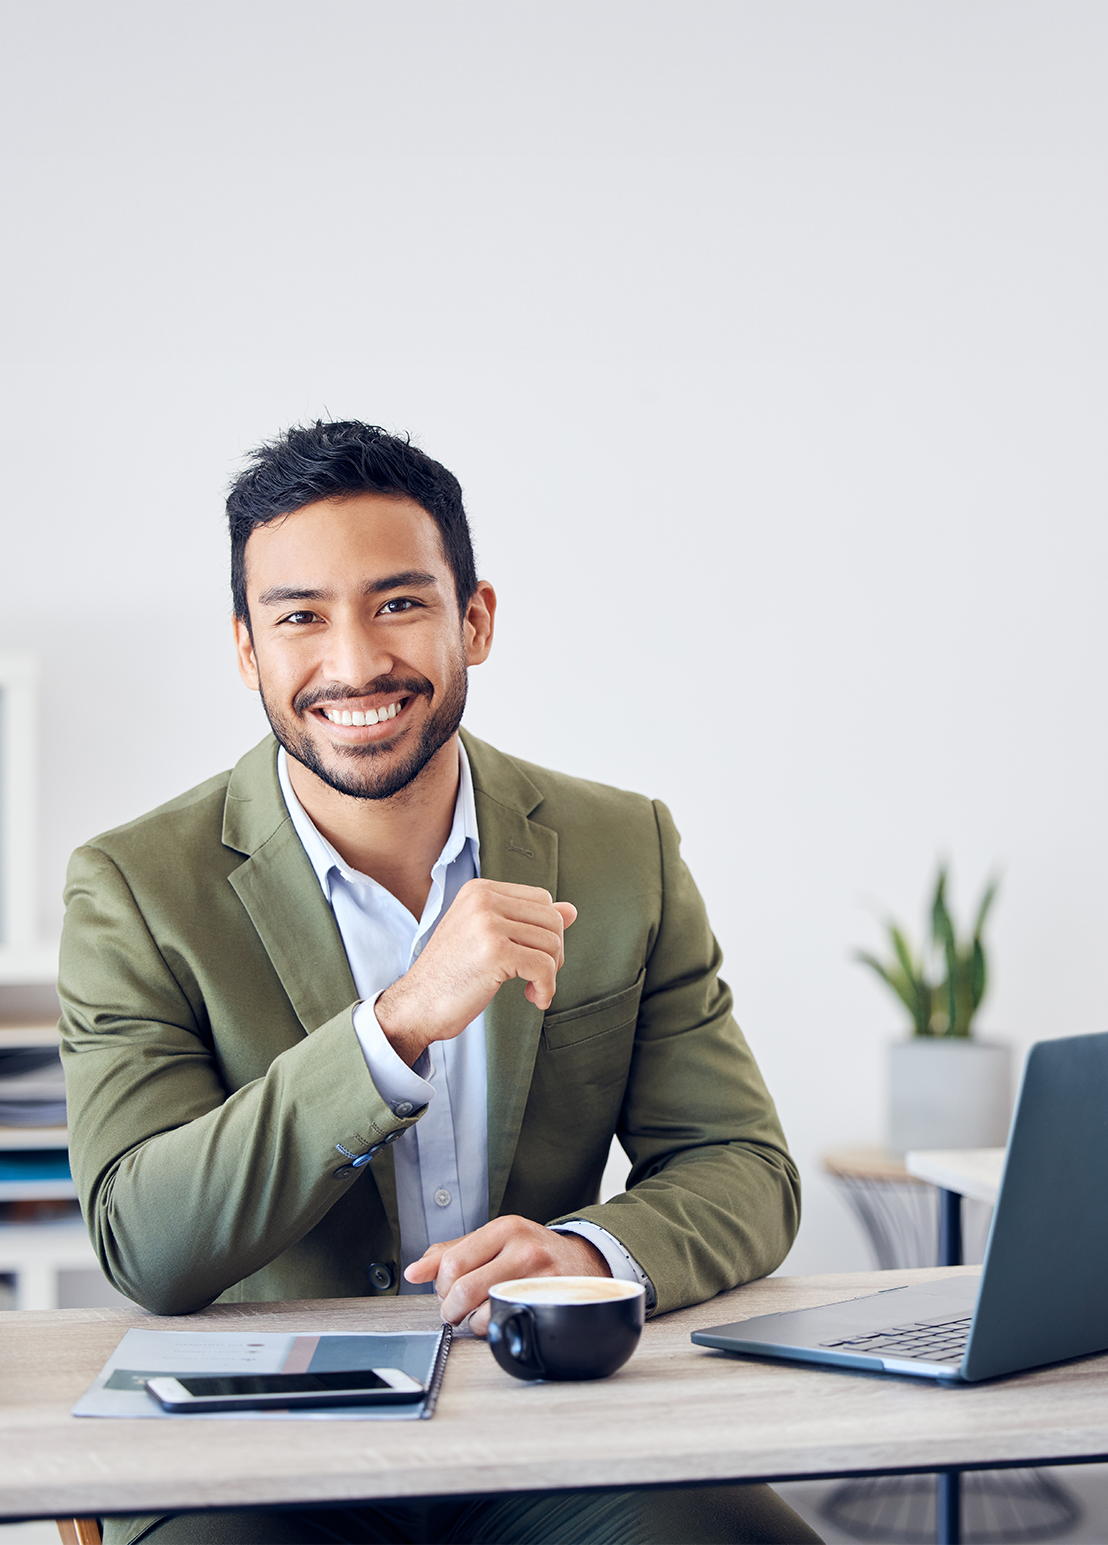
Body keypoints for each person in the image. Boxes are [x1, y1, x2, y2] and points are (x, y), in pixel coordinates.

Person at [59, 421, 816, 1544]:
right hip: (259, 1452)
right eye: (299, 617)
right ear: (245, 649)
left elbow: (742, 1169)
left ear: (475, 619)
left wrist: (587, 1254)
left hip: (549, 1433)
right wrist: (396, 1025)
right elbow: (145, 1246)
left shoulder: (622, 849)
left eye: (398, 604)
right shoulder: (133, 887)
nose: (354, 663)